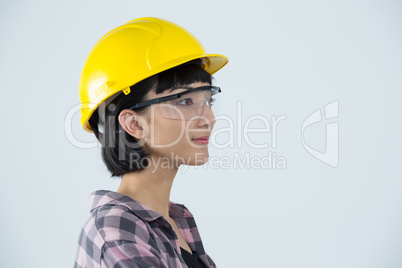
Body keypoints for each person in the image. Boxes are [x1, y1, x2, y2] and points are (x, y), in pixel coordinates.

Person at [74, 17, 228, 268]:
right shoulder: (116, 232)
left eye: (208, 100)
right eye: (185, 101)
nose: (208, 119)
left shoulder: (176, 221)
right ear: (134, 124)